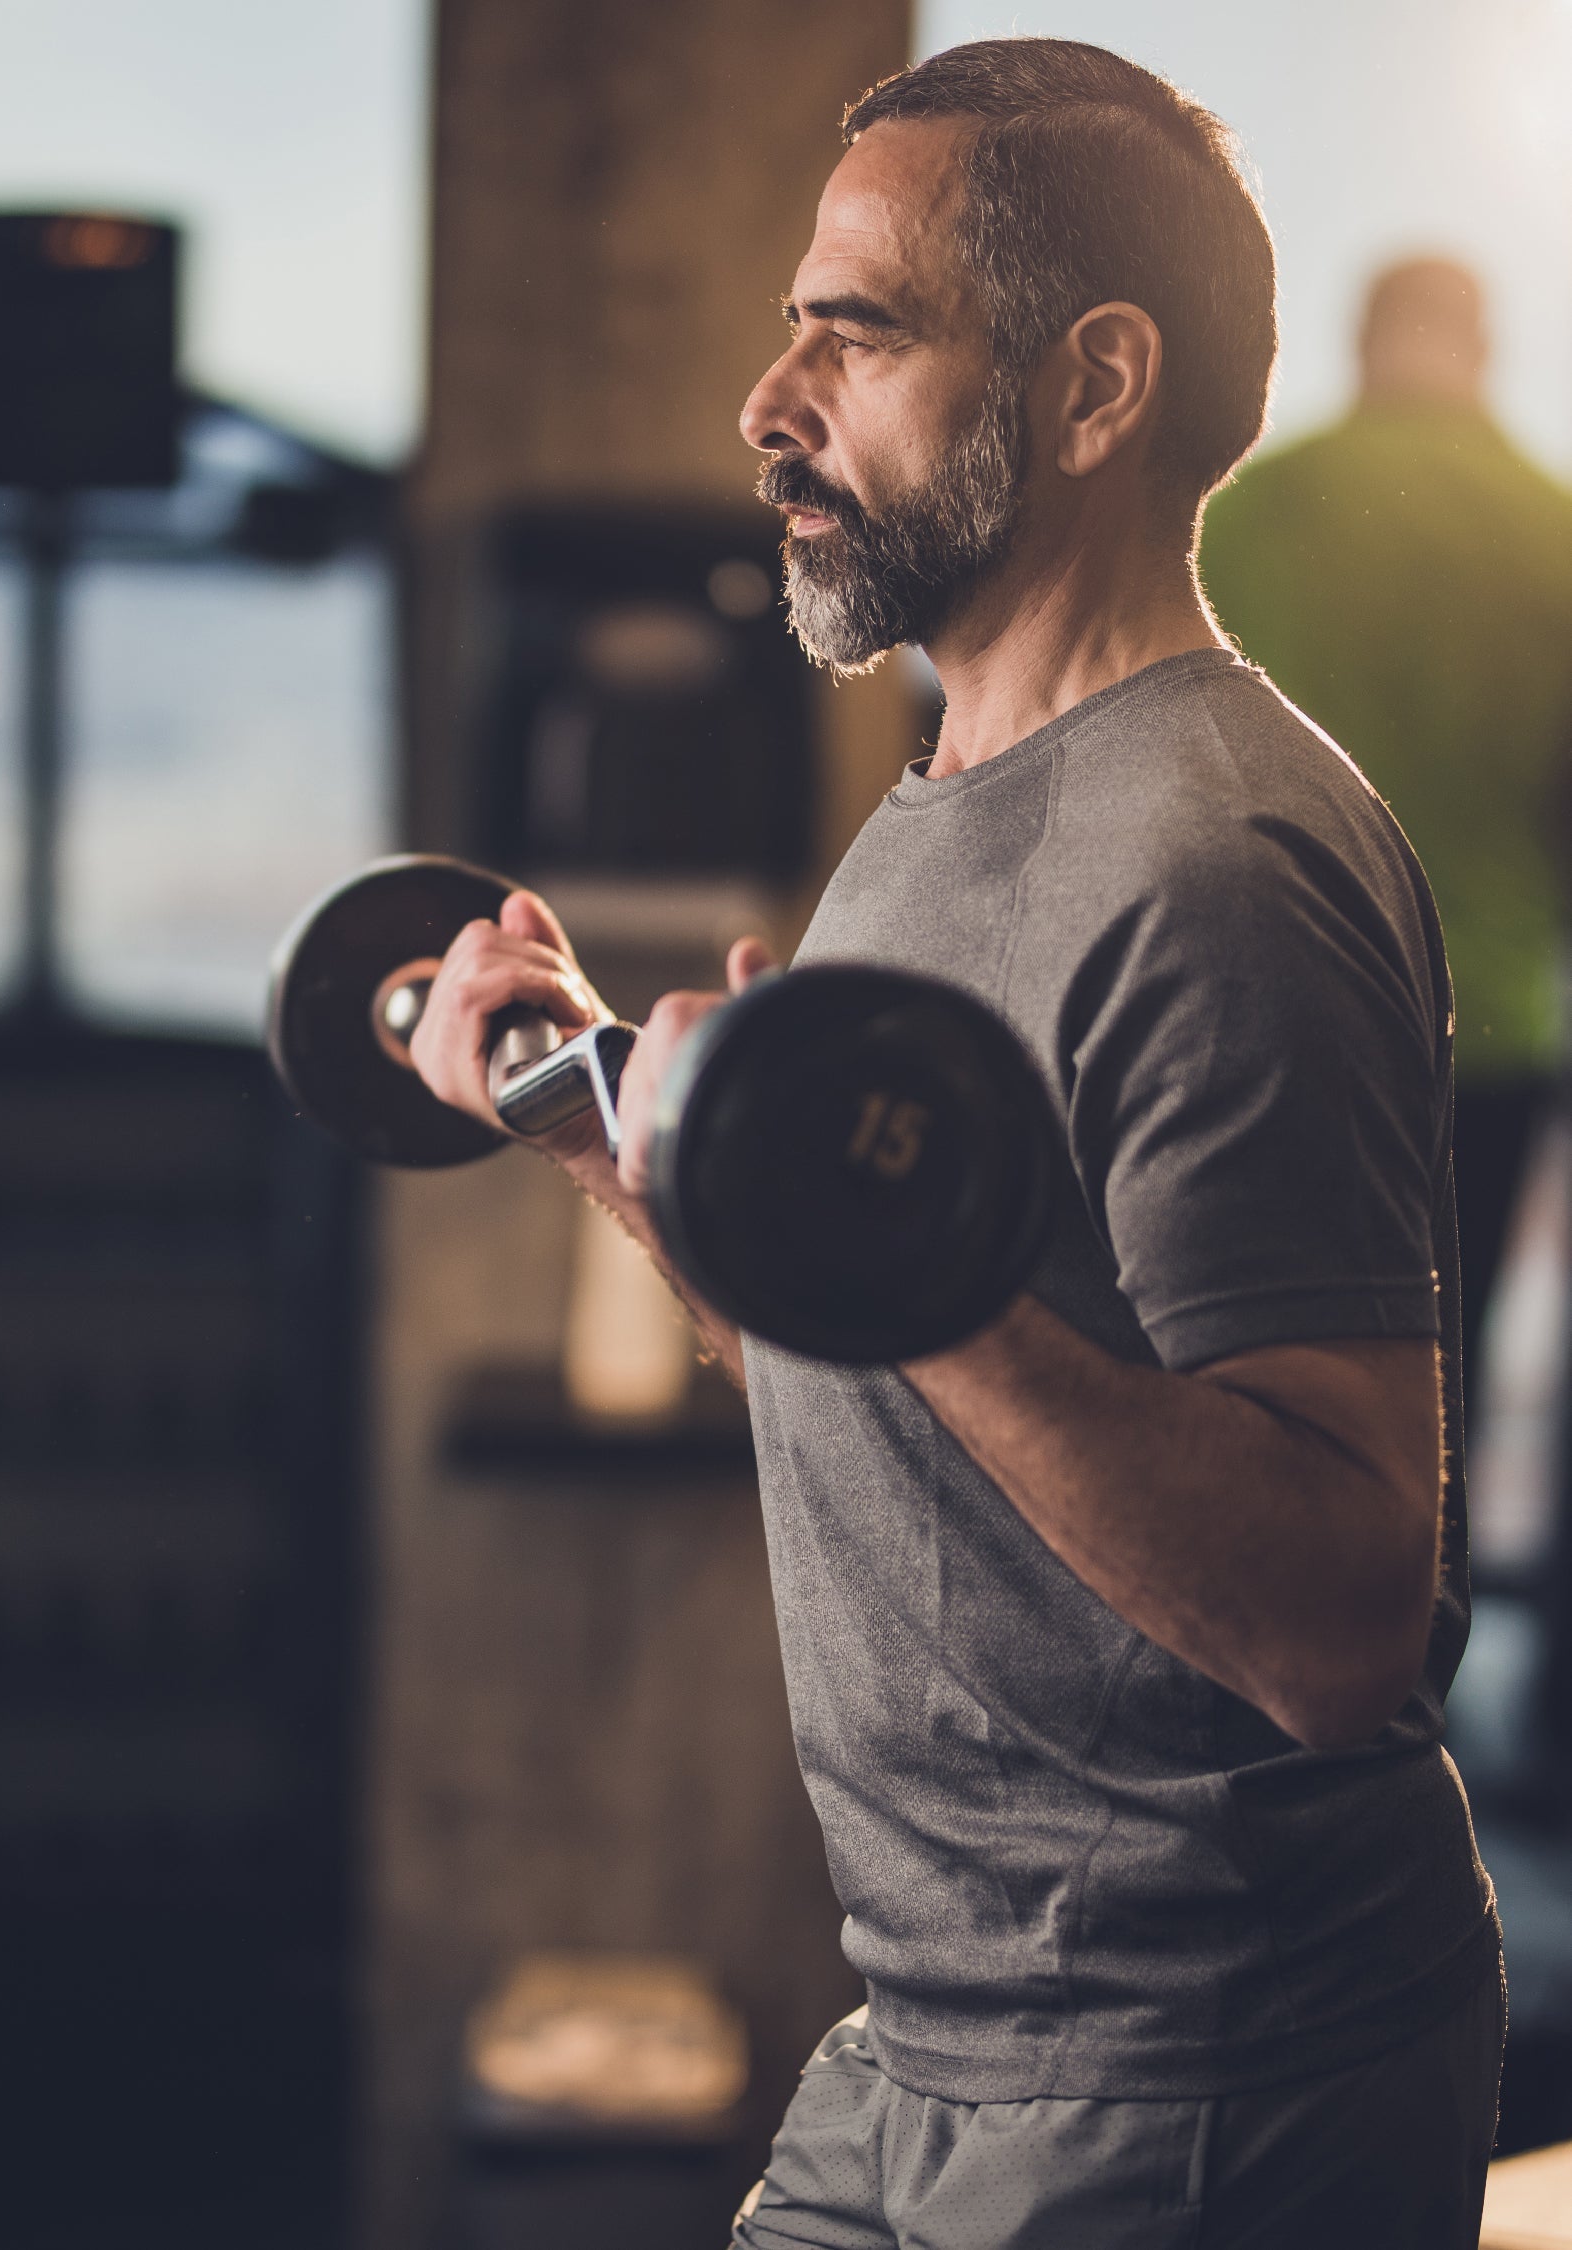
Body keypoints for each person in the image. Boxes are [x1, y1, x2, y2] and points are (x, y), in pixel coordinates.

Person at [408, 38, 1501, 2249]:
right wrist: (597, 1111)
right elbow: (866, 1347)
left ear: (1094, 388)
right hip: (939, 2033)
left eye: (862, 329)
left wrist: (882, 1255)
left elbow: (1343, 1620)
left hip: (1199, 2068)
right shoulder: (933, 818)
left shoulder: (1218, 862)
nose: (769, 398)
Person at [1202, 257, 1572, 1422]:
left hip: (1259, 1005)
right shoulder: (1554, 530)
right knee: (1436, 1389)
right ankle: (1411, 1604)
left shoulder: (1249, 510)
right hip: (1493, 1021)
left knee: (1240, 1379)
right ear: (1483, 348)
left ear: (1362, 342)